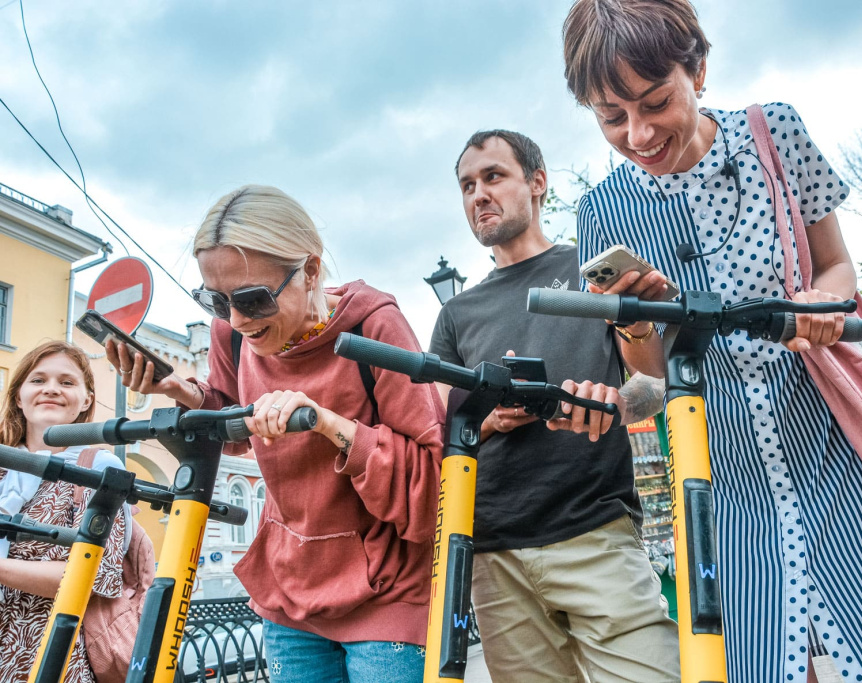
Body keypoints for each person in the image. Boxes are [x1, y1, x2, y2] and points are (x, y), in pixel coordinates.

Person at [561, 1, 862, 681]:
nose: (639, 132)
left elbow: (837, 263)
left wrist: (824, 299)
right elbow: (646, 377)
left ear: (698, 70)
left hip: (835, 443)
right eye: (612, 117)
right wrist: (636, 326)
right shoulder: (602, 211)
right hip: (724, 482)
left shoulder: (775, 132)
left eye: (655, 101)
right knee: (766, 658)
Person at [108, 185, 445, 683]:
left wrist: (330, 424)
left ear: (310, 270)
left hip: (386, 590)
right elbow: (237, 427)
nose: (239, 320)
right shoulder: (232, 338)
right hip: (291, 589)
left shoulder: (375, 326)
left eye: (253, 298)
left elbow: (432, 481)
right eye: (217, 302)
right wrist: (182, 389)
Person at [430, 129, 679, 682]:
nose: (478, 196)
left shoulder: (592, 277)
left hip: (597, 534)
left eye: (494, 177)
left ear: (537, 183)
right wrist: (492, 419)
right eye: (467, 186)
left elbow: (652, 389)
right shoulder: (457, 314)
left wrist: (615, 401)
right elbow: (440, 426)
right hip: (495, 556)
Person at [0, 341, 128, 683]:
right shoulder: (1, 469)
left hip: (53, 660)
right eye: (38, 380)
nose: (51, 389)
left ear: (86, 400)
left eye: (67, 382)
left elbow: (96, 576)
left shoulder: (98, 469)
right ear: (18, 396)